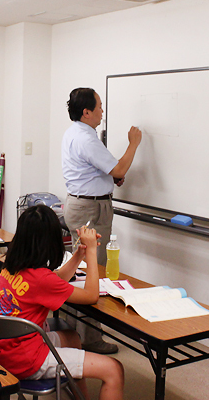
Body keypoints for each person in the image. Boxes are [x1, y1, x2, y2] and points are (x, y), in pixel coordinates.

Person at [0, 205, 124, 400]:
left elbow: (56, 279)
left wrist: (79, 254)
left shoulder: (11, 264)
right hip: (27, 359)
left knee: (72, 338)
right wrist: (93, 253)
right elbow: (91, 295)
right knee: (114, 369)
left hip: (5, 350)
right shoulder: (41, 278)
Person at [61, 87, 142, 354]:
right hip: (90, 210)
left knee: (79, 270)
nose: (102, 111)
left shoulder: (75, 133)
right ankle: (90, 341)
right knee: (91, 273)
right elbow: (118, 168)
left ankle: (73, 333)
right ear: (86, 112)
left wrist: (110, 177)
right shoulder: (86, 139)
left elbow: (103, 171)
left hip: (82, 204)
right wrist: (133, 144)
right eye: (99, 107)